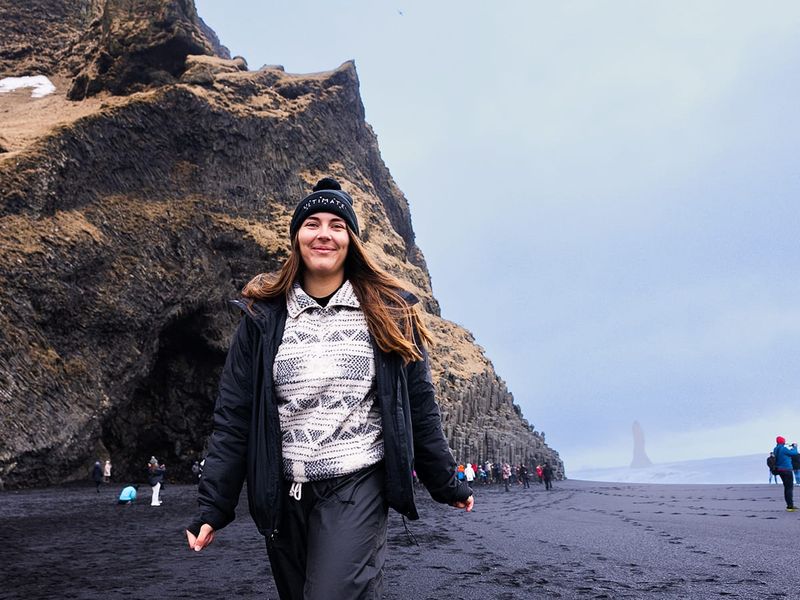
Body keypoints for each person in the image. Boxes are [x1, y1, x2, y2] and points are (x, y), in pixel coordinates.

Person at [186, 178, 474, 599]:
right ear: (296, 237)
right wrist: (214, 506)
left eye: (337, 225)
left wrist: (445, 481)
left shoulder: (391, 313)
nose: (324, 234)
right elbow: (234, 416)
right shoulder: (262, 319)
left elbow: (418, 405)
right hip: (282, 493)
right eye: (312, 223)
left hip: (356, 482)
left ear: (351, 239)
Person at [773, 436, 799, 511]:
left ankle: (789, 505)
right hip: (787, 470)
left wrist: (790, 448)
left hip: (780, 470)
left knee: (786, 488)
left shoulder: (776, 449)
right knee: (789, 488)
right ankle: (790, 506)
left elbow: (786, 454)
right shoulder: (783, 449)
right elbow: (794, 453)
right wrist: (795, 447)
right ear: (783, 441)